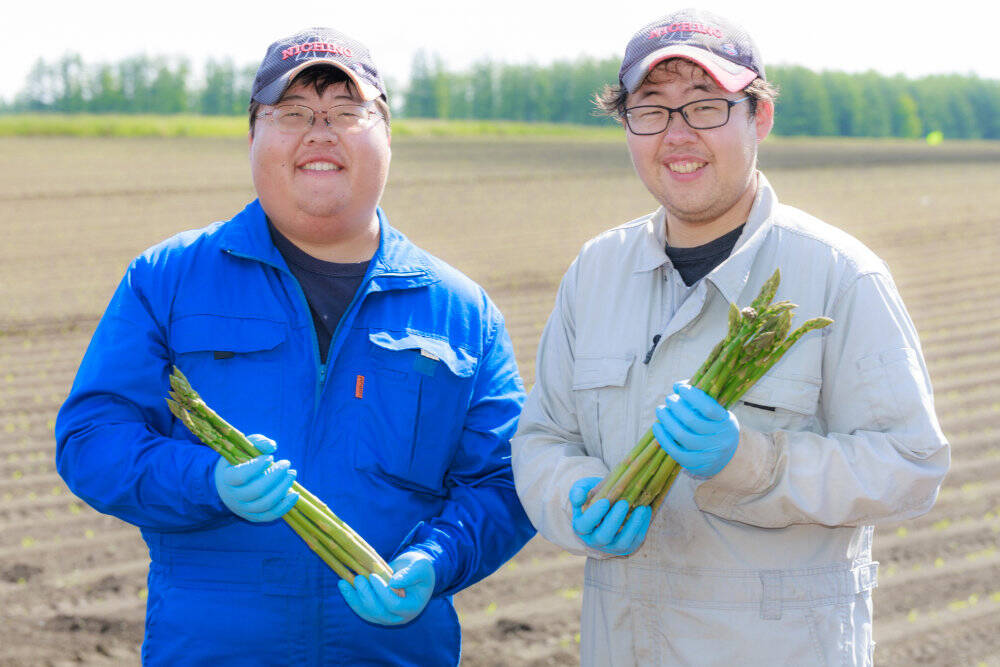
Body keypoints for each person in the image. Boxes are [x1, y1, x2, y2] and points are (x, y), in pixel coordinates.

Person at [55, 27, 534, 666]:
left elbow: (504, 482)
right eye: (292, 114)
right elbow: (91, 441)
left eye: (345, 112)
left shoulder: (461, 310)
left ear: (386, 133)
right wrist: (209, 480)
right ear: (253, 135)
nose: (319, 131)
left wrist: (435, 559)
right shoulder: (167, 279)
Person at [511, 9, 949, 665]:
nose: (677, 134)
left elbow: (910, 465)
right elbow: (543, 437)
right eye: (651, 109)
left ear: (758, 116)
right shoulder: (596, 272)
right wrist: (571, 492)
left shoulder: (839, 275)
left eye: (706, 106)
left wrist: (753, 464)